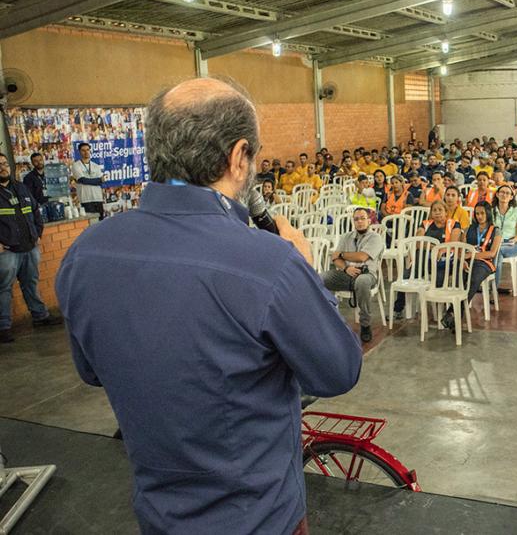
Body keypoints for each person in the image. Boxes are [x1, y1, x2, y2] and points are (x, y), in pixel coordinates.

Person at [56, 78, 362, 535]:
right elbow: (338, 371)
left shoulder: (85, 253)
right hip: (259, 517)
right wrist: (307, 272)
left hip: (159, 515)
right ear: (239, 157)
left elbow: (92, 371)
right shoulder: (269, 262)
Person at [0, 154, 62, 343]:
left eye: (4, 164)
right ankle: (3, 327)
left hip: (29, 246)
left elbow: (35, 210)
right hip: (7, 250)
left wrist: (37, 232)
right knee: (4, 289)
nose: (3, 167)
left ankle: (40, 316)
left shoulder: (20, 187)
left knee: (30, 283)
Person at [323, 207, 384, 342]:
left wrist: (342, 254)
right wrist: (346, 268)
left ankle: (365, 324)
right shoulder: (346, 237)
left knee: (362, 281)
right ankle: (326, 320)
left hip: (367, 274)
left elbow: (362, 257)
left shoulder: (376, 238)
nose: (359, 222)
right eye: (356, 219)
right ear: (353, 222)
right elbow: (335, 258)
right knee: (320, 278)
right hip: (347, 273)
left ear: (369, 221)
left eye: (363, 218)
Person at [440, 202, 502, 332]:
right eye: (477, 213)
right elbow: (461, 248)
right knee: (459, 277)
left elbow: (492, 253)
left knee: (473, 279)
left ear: (488, 213)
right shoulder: (469, 229)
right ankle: (456, 316)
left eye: (482, 213)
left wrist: (472, 256)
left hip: (484, 263)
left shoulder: (496, 230)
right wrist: (462, 259)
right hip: (467, 260)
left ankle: (453, 312)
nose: (479, 216)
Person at [492, 185, 517, 293]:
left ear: (511, 197)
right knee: (497, 252)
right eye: (502, 192)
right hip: (495, 243)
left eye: (507, 193)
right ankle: (493, 288)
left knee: (497, 251)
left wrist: (514, 240)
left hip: (511, 244)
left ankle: (493, 288)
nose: (504, 195)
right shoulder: (492, 211)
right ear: (497, 194)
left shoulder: (516, 211)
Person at [72, 142, 105, 216]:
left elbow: (100, 182)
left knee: (101, 221)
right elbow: (82, 180)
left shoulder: (96, 166)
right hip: (85, 199)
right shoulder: (76, 165)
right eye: (83, 150)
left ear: (90, 151)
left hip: (98, 198)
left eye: (87, 150)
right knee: (90, 222)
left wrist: (98, 181)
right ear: (79, 152)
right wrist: (98, 180)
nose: (86, 152)